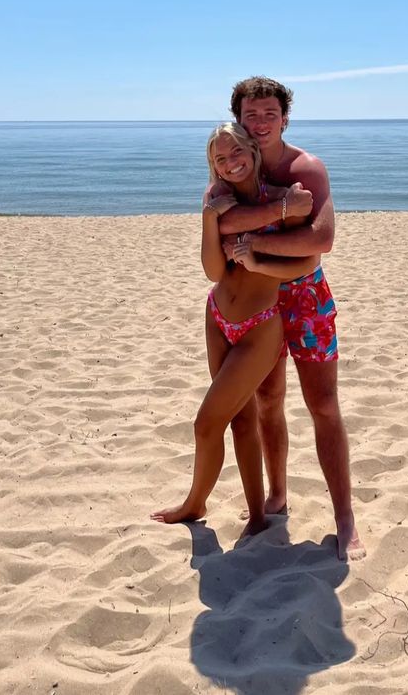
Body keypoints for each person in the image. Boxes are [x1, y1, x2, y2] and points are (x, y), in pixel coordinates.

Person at [216, 76, 364, 560]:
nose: (259, 123)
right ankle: (278, 496)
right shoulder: (233, 168)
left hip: (305, 300)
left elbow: (320, 241)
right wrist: (279, 211)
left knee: (323, 404)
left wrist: (255, 244)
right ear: (239, 118)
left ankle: (345, 518)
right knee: (267, 402)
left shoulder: (307, 167)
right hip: (257, 303)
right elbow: (219, 223)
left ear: (285, 118)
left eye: (269, 114)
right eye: (250, 115)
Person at [150, 122, 315, 536]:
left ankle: (195, 503)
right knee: (240, 420)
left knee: (206, 422)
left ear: (253, 151)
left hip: (261, 326)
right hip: (217, 317)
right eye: (220, 159)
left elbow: (307, 262)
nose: (230, 164)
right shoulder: (215, 200)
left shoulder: (283, 198)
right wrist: (209, 218)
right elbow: (212, 271)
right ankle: (255, 515)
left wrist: (258, 261)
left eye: (236, 153)